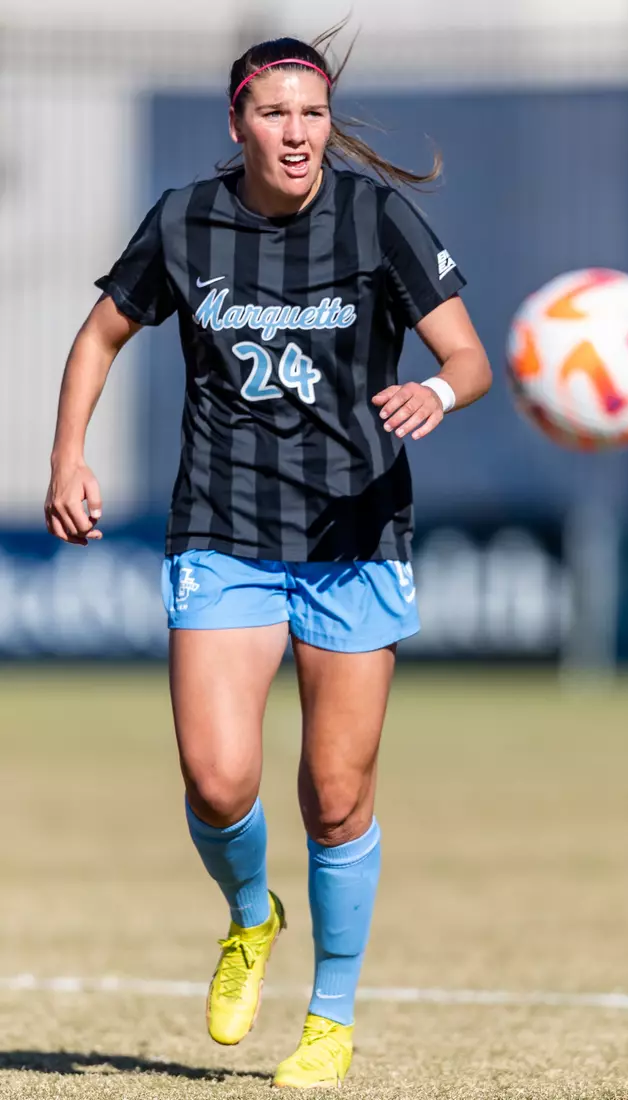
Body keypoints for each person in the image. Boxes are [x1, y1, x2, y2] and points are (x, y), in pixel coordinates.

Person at [45, 28, 492, 1090]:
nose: (297, 134)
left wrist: (435, 389)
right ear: (237, 124)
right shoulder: (185, 222)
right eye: (274, 113)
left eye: (312, 113)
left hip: (354, 535)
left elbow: (469, 355)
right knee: (216, 777)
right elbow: (99, 334)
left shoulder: (375, 216)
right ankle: (251, 914)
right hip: (225, 528)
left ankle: (329, 1015)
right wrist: (68, 454)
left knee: (335, 797)